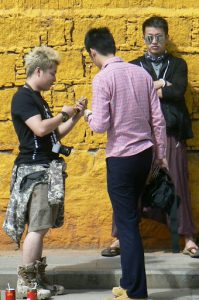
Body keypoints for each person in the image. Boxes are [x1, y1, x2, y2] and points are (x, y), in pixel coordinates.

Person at [104, 16, 199, 259]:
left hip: (171, 133)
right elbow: (134, 95)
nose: (154, 41)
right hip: (141, 136)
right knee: (131, 185)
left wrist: (155, 86)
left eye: (158, 36)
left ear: (166, 38)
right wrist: (160, 84)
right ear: (143, 38)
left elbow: (177, 90)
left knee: (177, 184)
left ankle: (188, 237)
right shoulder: (134, 65)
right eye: (149, 37)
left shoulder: (178, 65)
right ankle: (120, 237)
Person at [84, 27, 167, 300]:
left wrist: (87, 115)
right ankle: (129, 282)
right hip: (144, 154)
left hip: (121, 157)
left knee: (127, 223)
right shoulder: (142, 73)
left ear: (93, 53)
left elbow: (100, 125)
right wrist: (161, 155)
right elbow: (158, 120)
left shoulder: (102, 78)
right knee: (130, 219)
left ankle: (135, 291)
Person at [3, 46, 87, 299]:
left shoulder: (38, 99)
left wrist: (75, 117)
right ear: (38, 70)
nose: (54, 78)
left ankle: (37, 279)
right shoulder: (23, 98)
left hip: (46, 168)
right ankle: (27, 283)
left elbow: (53, 135)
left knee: (42, 226)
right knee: (37, 227)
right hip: (34, 171)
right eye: (51, 73)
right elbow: (40, 129)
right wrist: (64, 113)